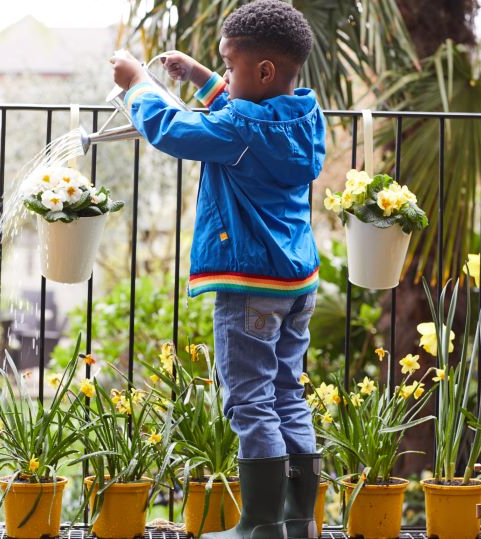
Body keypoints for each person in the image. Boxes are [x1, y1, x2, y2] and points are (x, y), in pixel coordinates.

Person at [111, 1, 326, 537]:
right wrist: (201, 77)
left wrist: (138, 84)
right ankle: (298, 521)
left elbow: (172, 130)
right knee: (286, 392)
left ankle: (258, 525)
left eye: (228, 65)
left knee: (249, 399)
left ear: (264, 70)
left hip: (250, 284)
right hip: (297, 281)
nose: (224, 75)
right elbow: (244, 110)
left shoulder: (240, 130)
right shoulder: (303, 116)